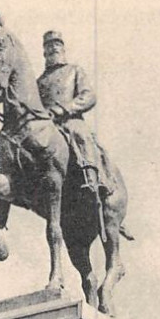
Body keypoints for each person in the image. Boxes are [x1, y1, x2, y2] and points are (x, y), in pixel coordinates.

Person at [36, 31, 113, 197]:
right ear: (44, 52)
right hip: (46, 125)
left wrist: (63, 109)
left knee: (80, 134)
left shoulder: (74, 71)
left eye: (57, 44)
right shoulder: (39, 81)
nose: (53, 47)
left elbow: (89, 96)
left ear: (63, 48)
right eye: (49, 45)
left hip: (69, 119)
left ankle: (92, 178)